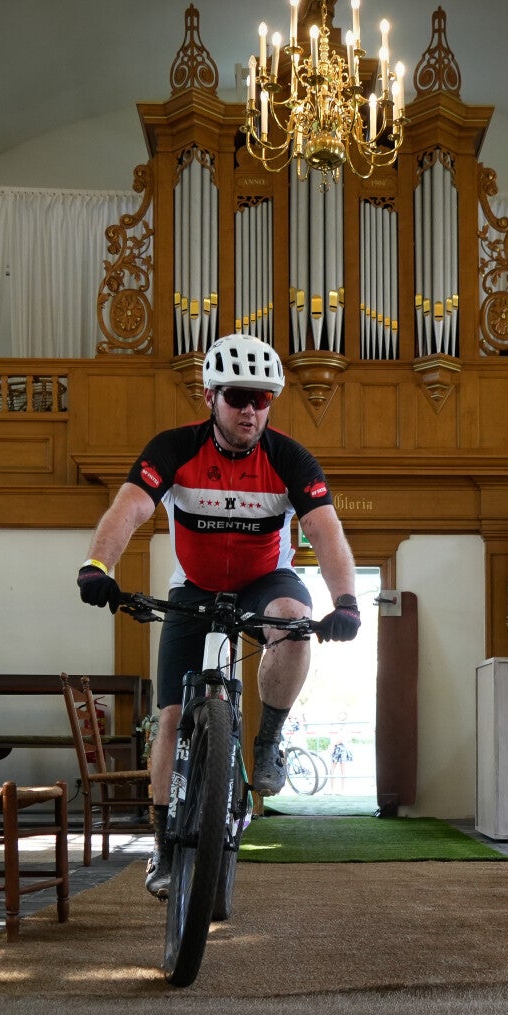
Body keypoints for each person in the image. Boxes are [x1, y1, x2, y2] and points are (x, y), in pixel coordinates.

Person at [77, 332, 359, 900]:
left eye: (262, 398)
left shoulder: (289, 458)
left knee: (294, 621)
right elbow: (129, 507)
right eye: (237, 396)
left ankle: (268, 739)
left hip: (264, 581)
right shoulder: (175, 448)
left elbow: (325, 530)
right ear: (210, 396)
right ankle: (163, 844)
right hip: (194, 586)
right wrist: (97, 565)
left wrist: (346, 600)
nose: (250, 410)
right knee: (171, 717)